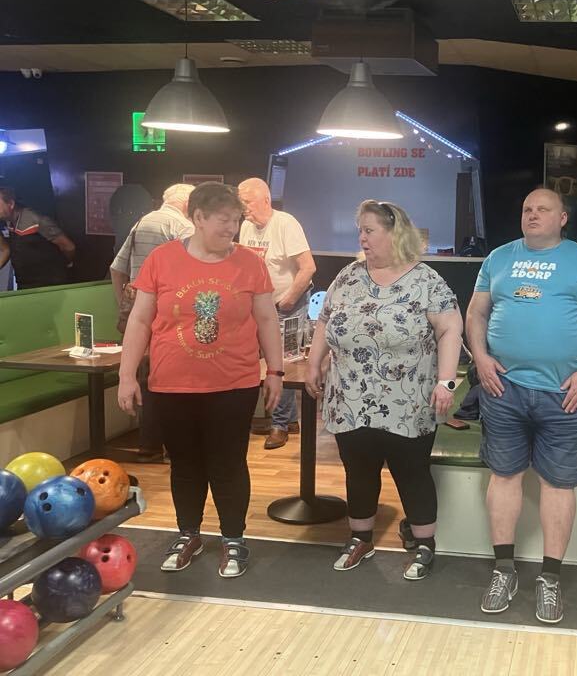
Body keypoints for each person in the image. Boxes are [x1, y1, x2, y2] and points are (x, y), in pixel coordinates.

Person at [117, 182, 284, 579]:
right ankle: (188, 533)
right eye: (223, 220)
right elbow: (140, 320)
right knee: (185, 464)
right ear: (198, 218)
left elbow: (266, 319)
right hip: (172, 384)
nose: (232, 228)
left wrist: (275, 371)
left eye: (236, 220)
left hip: (234, 384)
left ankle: (234, 538)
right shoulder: (161, 260)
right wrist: (127, 375)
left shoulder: (250, 263)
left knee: (229, 463)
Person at [466, 187, 577, 625]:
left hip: (566, 393)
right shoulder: (499, 258)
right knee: (504, 476)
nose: (532, 215)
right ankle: (504, 570)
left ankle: (550, 578)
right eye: (527, 209)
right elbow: (475, 313)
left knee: (559, 484)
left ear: (562, 218)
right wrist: (481, 358)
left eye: (542, 209)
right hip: (504, 388)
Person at [304, 200, 462, 581]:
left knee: (411, 472)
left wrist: (446, 381)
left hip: (408, 400)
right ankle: (360, 539)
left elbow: (450, 329)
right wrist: (314, 362)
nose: (362, 237)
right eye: (360, 230)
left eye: (370, 230)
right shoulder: (348, 276)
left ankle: (424, 544)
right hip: (350, 397)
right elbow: (325, 319)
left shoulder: (425, 280)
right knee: (358, 471)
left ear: (394, 233)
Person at [110, 183, 195, 464]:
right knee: (172, 375)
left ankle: (149, 444)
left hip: (139, 309)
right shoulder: (183, 227)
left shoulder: (141, 222)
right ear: (188, 205)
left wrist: (124, 304)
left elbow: (116, 269)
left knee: (148, 375)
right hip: (168, 311)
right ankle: (174, 446)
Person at [238, 178, 317, 451]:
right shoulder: (246, 227)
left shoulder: (286, 224)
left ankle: (280, 424)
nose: (244, 208)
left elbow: (308, 267)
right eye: (241, 202)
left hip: (287, 305)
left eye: (247, 202)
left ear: (266, 200)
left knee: (280, 364)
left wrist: (289, 299)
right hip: (259, 306)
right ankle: (290, 420)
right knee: (271, 362)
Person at [0, 186, 75, 289]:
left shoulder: (36, 220)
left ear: (11, 204)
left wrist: (66, 265)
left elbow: (68, 247)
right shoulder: (9, 221)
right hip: (25, 283)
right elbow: (7, 250)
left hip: (48, 284)